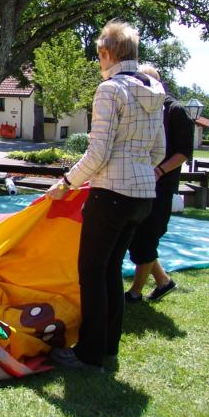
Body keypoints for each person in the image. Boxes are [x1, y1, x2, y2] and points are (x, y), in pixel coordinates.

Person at [45, 20, 165, 372]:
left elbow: (97, 152)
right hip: (142, 197)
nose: (99, 62)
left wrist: (66, 183)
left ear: (107, 53)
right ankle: (108, 345)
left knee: (92, 272)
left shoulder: (110, 90)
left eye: (99, 56)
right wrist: (137, 169)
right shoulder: (154, 90)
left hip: (111, 195)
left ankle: (89, 354)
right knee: (111, 269)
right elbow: (159, 151)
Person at [125, 64, 193, 303]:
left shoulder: (176, 111)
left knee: (146, 237)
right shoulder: (143, 109)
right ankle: (164, 281)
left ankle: (135, 292)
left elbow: (184, 152)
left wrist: (159, 171)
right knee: (136, 236)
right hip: (139, 182)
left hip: (161, 187)